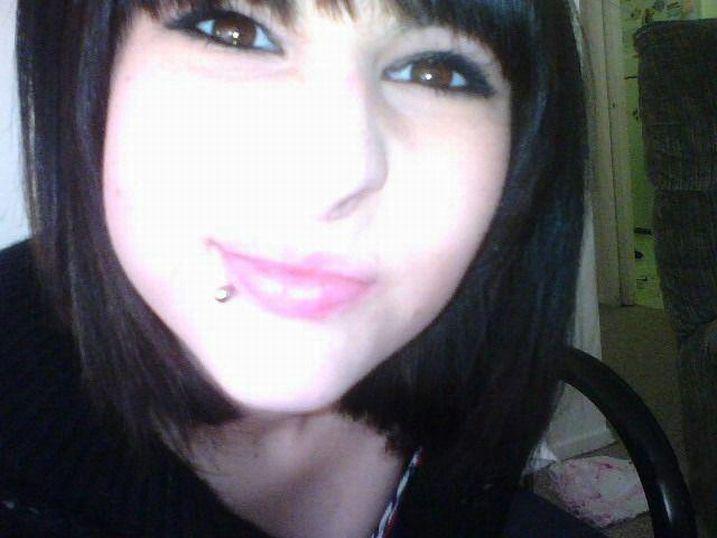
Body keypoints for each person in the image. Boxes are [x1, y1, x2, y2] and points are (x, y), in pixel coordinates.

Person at [0, 0, 586, 536]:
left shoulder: (473, 400)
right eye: (233, 31)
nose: (332, 177)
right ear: (90, 64)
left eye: (435, 72)